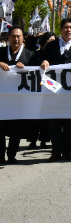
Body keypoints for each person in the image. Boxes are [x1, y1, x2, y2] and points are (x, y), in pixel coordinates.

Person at [39, 18, 71, 162]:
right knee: (53, 124)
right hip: (53, 90)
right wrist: (44, 61)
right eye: (66, 27)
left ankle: (67, 151)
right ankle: (55, 151)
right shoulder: (51, 46)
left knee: (69, 124)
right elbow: (41, 59)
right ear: (61, 29)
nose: (69, 30)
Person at [0, 26, 38, 164]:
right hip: (2, 98)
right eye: (13, 36)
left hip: (20, 99)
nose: (16, 39)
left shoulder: (30, 55)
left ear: (23, 38)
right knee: (1, 127)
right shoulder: (1, 52)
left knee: (16, 128)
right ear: (8, 38)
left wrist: (26, 68)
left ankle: (12, 155)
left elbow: (38, 72)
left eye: (19, 36)